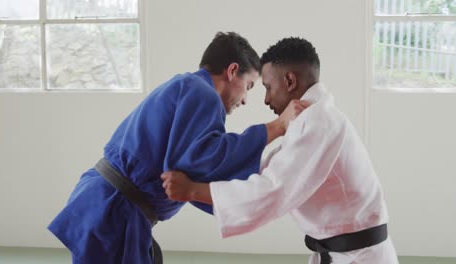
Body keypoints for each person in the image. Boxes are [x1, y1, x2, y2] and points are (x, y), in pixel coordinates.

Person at [48, 32, 307, 264]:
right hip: (114, 211)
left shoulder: (186, 85)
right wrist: (275, 128)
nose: (245, 99)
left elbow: (188, 163)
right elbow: (200, 158)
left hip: (106, 204)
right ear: (232, 71)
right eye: (249, 86)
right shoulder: (202, 94)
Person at [161, 37, 399, 264]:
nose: (265, 99)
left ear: (289, 81)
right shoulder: (312, 119)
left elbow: (272, 190)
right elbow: (267, 169)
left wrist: (193, 190)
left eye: (267, 87)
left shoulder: (319, 122)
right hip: (344, 253)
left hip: (358, 257)